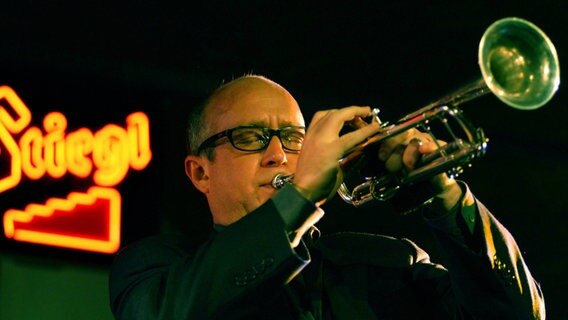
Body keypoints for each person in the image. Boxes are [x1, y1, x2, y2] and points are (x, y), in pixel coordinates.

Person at [108, 74, 545, 319]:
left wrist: (442, 193)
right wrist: (299, 196)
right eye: (249, 138)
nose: (278, 155)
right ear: (200, 172)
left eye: (294, 139)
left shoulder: (392, 263)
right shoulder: (157, 269)